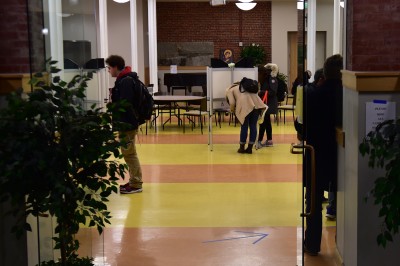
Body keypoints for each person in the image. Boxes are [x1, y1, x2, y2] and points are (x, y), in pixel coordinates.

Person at [303, 54, 343, 256]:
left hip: (316, 156)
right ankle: (345, 245)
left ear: (324, 73)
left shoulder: (313, 95)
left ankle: (312, 244)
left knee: (314, 201)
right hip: (342, 158)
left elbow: (302, 129)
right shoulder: (348, 96)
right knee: (346, 200)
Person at [106, 55, 143, 194]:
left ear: (115, 67)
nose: (109, 71)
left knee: (129, 153)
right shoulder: (124, 79)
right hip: (126, 122)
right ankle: (134, 181)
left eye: (109, 68)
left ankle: (136, 183)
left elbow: (125, 103)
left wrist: (114, 105)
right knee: (128, 153)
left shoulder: (126, 81)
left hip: (127, 123)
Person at [226, 78, 267, 154]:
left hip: (245, 106)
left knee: (244, 126)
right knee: (253, 126)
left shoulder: (230, 90)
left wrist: (232, 110)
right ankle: (250, 148)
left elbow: (231, 102)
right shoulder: (247, 86)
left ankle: (241, 148)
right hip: (257, 106)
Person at [255, 63, 279, 149]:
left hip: (269, 104)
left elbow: (273, 91)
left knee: (263, 122)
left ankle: (259, 141)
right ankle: (269, 140)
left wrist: (262, 92)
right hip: (265, 103)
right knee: (267, 122)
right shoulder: (265, 79)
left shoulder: (272, 79)